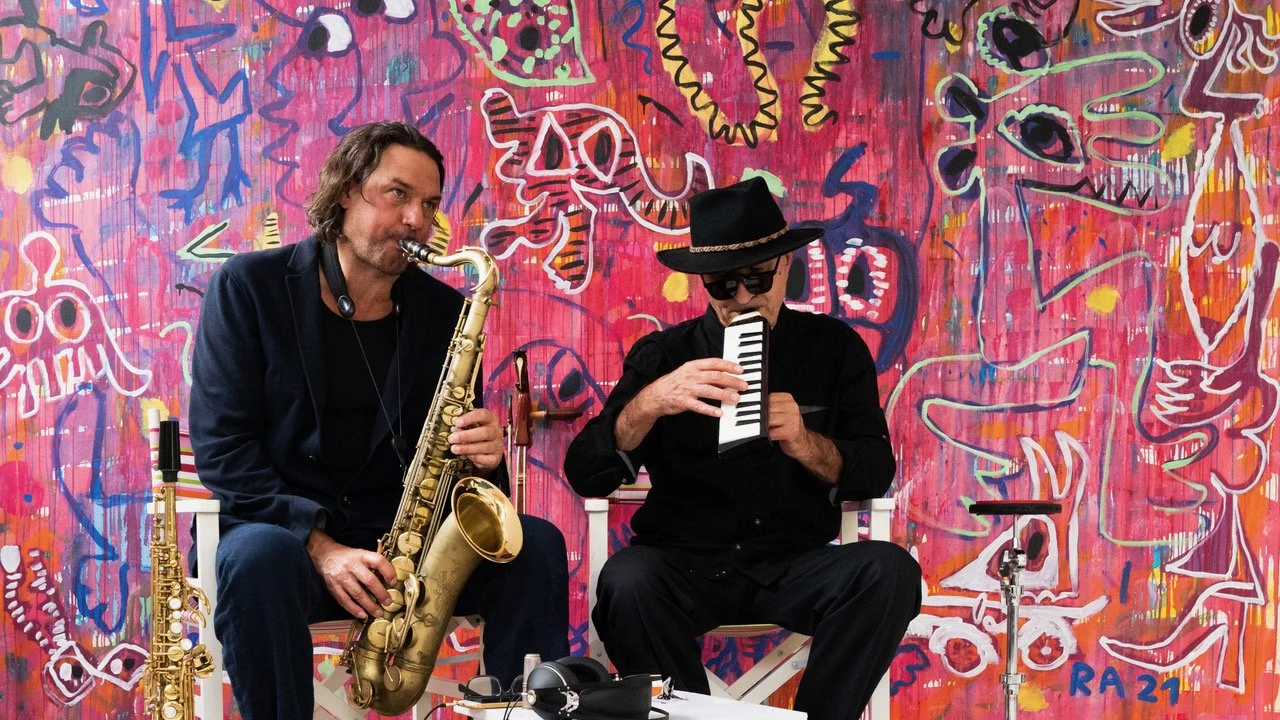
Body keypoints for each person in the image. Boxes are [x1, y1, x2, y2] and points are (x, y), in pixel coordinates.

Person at [190, 122, 569, 719]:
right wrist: (321, 548)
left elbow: (452, 475)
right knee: (258, 558)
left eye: (430, 204)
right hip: (285, 541)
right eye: (398, 194)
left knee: (537, 545)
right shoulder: (249, 287)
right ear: (347, 190)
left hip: (400, 551)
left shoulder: (445, 311)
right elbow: (224, 449)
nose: (418, 220)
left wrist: (484, 456)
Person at [564, 177, 921, 719]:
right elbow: (586, 472)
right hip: (684, 564)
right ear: (703, 283)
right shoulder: (664, 354)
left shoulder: (834, 349)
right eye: (723, 285)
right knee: (626, 582)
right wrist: (651, 402)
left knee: (889, 572)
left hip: (794, 563)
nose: (743, 297)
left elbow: (873, 471)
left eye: (757, 278)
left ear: (785, 266)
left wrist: (805, 442)